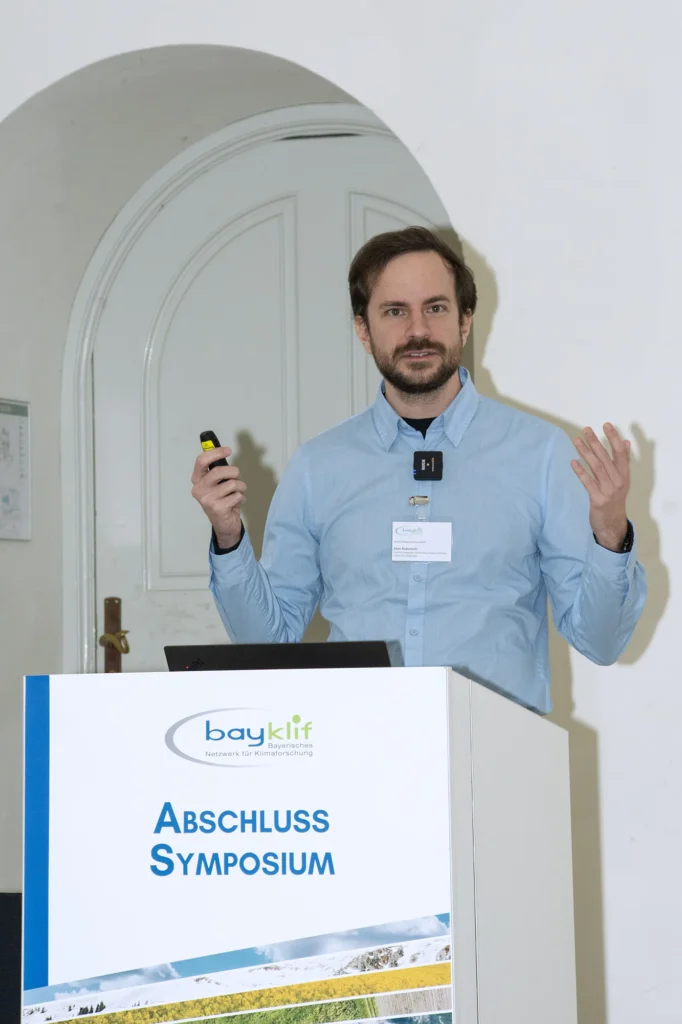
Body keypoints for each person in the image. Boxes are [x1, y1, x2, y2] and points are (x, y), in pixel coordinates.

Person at [191, 226, 646, 713]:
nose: (417, 331)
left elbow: (600, 642)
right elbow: (269, 642)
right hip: (360, 740)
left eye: (436, 308)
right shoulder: (316, 467)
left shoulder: (541, 454)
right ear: (363, 330)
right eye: (395, 311)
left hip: (495, 746)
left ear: (465, 321)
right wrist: (229, 538)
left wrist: (609, 535)